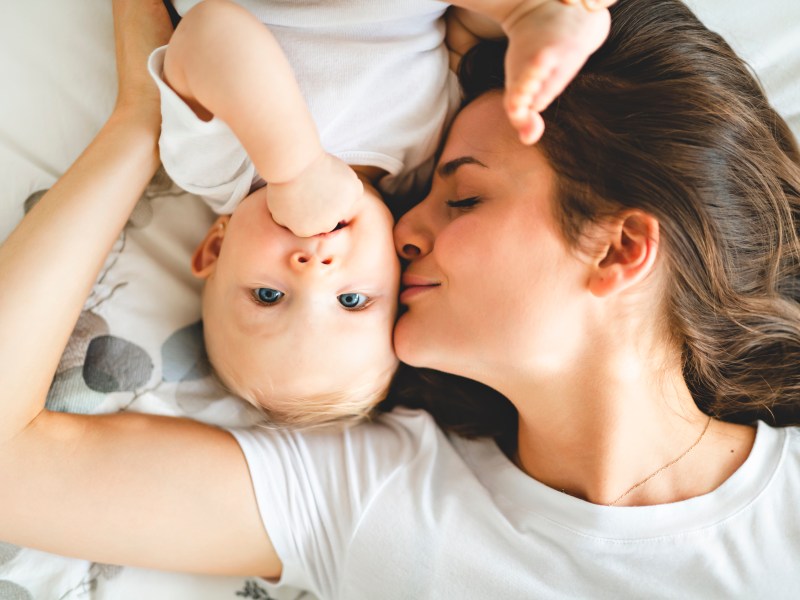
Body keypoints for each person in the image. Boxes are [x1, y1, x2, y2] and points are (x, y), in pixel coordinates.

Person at [1, 0, 799, 597]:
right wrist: (139, 124)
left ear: (620, 249)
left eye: (464, 199)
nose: (401, 227)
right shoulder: (370, 492)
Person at [149, 0, 614, 426]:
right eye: (351, 301)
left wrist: (296, 169)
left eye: (269, 296)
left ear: (215, 247)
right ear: (398, 271)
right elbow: (454, 36)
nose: (313, 272)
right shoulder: (424, 162)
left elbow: (207, 31)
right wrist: (512, 24)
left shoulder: (216, 169)